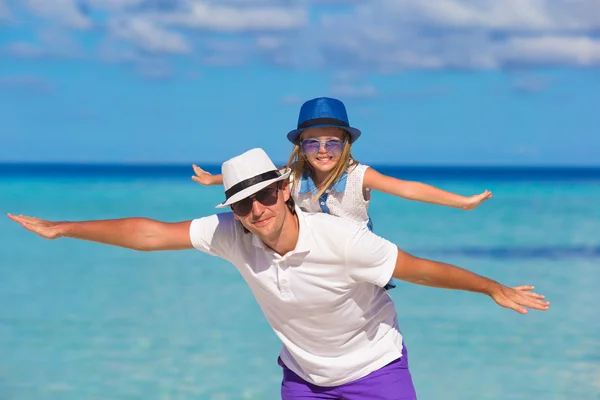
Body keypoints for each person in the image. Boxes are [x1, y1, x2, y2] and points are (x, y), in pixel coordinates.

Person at [7, 148, 549, 400]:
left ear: (284, 190)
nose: (257, 211)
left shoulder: (339, 239)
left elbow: (421, 269)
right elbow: (150, 234)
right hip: (304, 380)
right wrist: (63, 228)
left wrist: (491, 287)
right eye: (243, 204)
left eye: (266, 196)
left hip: (376, 371)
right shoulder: (232, 234)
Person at [191, 97, 493, 293]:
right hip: (315, 257)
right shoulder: (294, 173)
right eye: (312, 144)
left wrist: (461, 202)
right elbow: (257, 180)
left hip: (356, 258)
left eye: (332, 143)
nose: (323, 150)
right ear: (301, 148)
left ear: (345, 143)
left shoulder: (359, 175)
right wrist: (214, 180)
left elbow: (407, 188)